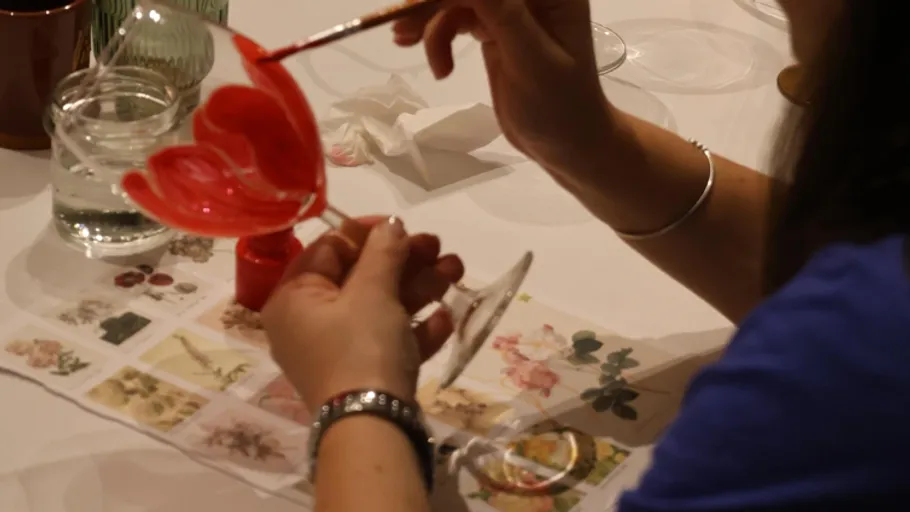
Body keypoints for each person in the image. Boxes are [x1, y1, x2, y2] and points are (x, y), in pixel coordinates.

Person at [263, 0, 910, 510]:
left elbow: (853, 335)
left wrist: (358, 397)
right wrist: (588, 142)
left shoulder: (851, 361)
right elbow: (842, 272)